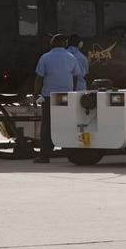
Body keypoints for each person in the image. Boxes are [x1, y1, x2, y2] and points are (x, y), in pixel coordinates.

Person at [33, 34, 80, 163]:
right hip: (66, 96)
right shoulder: (71, 57)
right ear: (64, 44)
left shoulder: (45, 57)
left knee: (47, 125)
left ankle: (45, 156)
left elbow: (39, 78)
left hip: (49, 96)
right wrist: (73, 92)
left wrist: (36, 95)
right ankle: (69, 151)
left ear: (53, 43)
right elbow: (76, 76)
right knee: (66, 123)